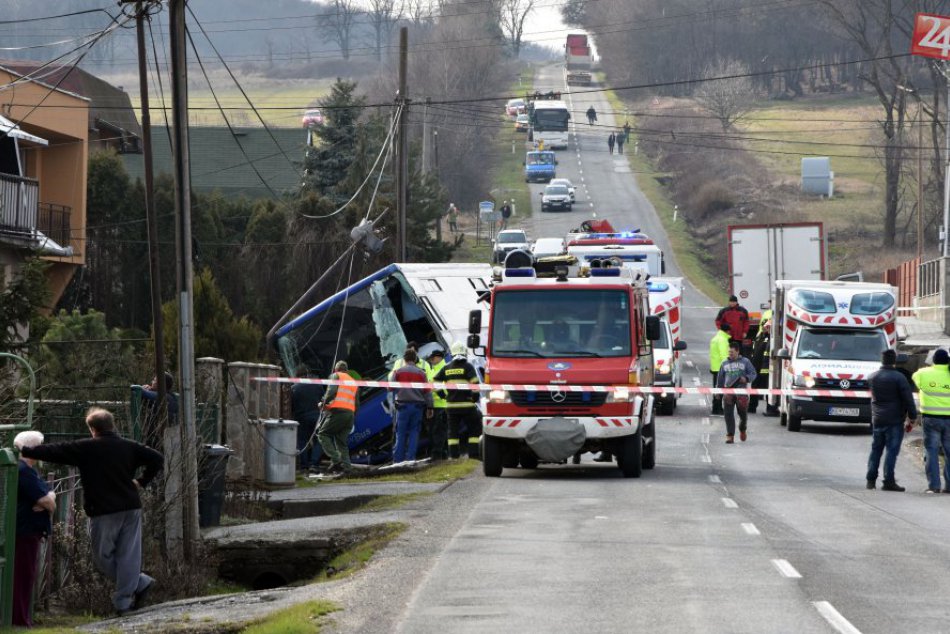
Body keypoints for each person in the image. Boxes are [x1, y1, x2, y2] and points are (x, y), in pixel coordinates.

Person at [19, 407, 163, 617]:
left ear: (92, 429)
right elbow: (157, 458)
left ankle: (124, 601)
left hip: (104, 510)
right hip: (131, 507)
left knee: (101, 558)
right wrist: (142, 481)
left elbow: (57, 450)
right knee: (128, 556)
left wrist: (27, 450)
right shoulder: (129, 447)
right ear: (112, 426)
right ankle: (137, 585)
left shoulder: (86, 448)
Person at [13, 431, 56, 628]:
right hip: (25, 532)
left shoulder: (29, 471)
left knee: (27, 574)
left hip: (30, 531)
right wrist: (47, 500)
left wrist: (48, 499)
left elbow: (49, 496)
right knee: (22, 575)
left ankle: (22, 618)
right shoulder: (24, 471)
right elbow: (47, 500)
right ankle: (20, 620)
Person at [868, 349, 918, 492]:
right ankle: (888, 480)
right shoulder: (899, 378)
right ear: (894, 361)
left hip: (877, 418)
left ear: (882, 360)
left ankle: (870, 480)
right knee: (891, 451)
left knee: (876, 450)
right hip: (894, 420)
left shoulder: (872, 377)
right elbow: (908, 399)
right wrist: (912, 416)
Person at [434, 342, 482, 459]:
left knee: (452, 432)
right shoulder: (468, 366)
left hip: (451, 406)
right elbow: (475, 384)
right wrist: (474, 399)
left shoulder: (447, 368)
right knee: (474, 429)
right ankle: (474, 455)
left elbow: (435, 381)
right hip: (467, 406)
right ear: (464, 353)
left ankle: (454, 456)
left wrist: (442, 395)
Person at [912, 348, 950, 493]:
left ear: (933, 361)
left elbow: (915, 377)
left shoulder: (923, 373)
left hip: (931, 419)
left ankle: (934, 486)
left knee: (931, 451)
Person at [390, 348, 434, 463]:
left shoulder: (398, 372)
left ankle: (398, 461)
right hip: (417, 408)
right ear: (415, 359)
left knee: (400, 433)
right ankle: (410, 459)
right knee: (414, 433)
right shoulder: (421, 373)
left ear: (404, 359)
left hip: (402, 407)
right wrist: (430, 407)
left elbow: (390, 387)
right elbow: (427, 392)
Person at [317, 361, 359, 475]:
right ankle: (347, 468)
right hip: (350, 415)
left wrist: (322, 402)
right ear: (346, 370)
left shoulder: (336, 376)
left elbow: (331, 392)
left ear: (336, 370)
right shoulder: (353, 382)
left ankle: (336, 460)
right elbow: (356, 402)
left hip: (338, 412)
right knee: (341, 442)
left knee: (322, 434)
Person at [717, 343, 757, 443]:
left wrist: (746, 378)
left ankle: (742, 429)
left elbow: (753, 373)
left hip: (741, 393)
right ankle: (730, 435)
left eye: (732, 352)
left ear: (738, 351)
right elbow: (720, 378)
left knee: (743, 415)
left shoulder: (745, 362)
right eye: (729, 352)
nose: (730, 354)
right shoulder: (724, 363)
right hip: (728, 392)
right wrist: (718, 391)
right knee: (728, 414)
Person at [291, 368, 325, 473]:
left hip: (301, 418)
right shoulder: (317, 385)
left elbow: (292, 406)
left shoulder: (294, 388)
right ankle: (314, 464)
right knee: (319, 440)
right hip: (316, 417)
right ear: (307, 375)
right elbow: (323, 400)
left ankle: (304, 466)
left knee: (302, 441)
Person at [136, 372, 178, 449]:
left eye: (155, 381)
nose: (152, 382)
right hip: (165, 436)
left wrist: (141, 388)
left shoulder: (163, 397)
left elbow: (143, 393)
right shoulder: (171, 396)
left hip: (157, 438)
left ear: (161, 384)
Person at [424, 345, 449, 461]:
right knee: (436, 431)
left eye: (432, 358)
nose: (430, 360)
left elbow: (440, 388)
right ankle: (442, 454)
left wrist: (431, 390)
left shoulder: (444, 368)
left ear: (438, 357)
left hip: (441, 405)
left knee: (438, 431)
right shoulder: (433, 369)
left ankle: (437, 455)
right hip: (433, 405)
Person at [708, 323, 731, 415]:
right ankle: (718, 408)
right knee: (720, 389)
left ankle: (715, 407)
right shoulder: (723, 340)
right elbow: (724, 355)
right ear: (727, 331)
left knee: (716, 388)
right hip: (721, 368)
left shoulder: (715, 338)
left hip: (715, 367)